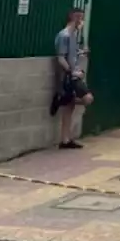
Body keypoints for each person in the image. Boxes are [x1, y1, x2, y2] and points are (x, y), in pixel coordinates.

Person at [51, 8, 94, 150]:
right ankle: (61, 99)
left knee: (69, 109)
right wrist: (71, 72)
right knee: (88, 98)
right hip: (70, 77)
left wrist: (82, 52)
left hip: (74, 73)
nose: (82, 22)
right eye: (80, 19)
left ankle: (65, 140)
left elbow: (72, 53)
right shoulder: (64, 36)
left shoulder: (73, 36)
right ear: (75, 18)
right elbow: (61, 58)